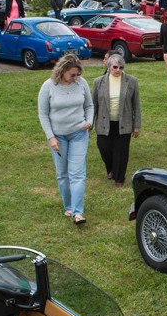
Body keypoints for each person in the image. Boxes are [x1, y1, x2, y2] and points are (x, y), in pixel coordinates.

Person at [38, 54, 93, 224]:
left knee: (77, 173)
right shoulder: (49, 86)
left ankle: (78, 213)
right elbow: (43, 114)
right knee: (62, 174)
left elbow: (89, 105)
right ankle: (68, 206)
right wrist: (51, 137)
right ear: (62, 72)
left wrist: (89, 122)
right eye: (72, 75)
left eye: (78, 74)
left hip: (79, 134)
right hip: (58, 137)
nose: (76, 78)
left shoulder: (81, 83)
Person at [92, 54, 141, 188]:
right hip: (104, 123)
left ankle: (119, 178)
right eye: (115, 67)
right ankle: (111, 169)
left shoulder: (132, 81)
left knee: (121, 151)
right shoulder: (98, 82)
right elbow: (93, 105)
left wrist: (136, 125)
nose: (118, 70)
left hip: (123, 123)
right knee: (104, 147)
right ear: (109, 67)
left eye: (121, 67)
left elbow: (136, 105)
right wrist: (89, 124)